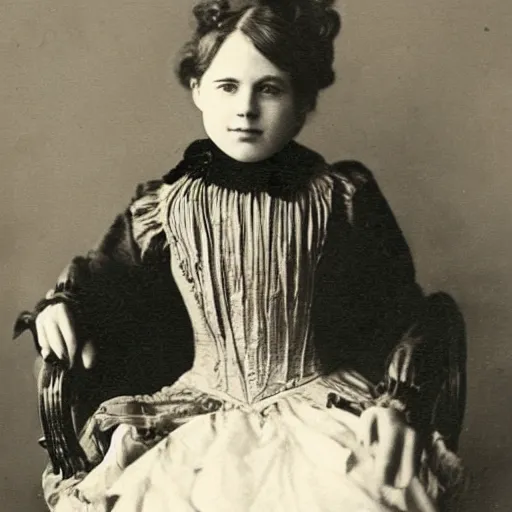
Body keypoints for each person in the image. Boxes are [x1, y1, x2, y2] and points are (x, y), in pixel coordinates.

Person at [15, 0, 466, 510]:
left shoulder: (341, 196)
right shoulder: (162, 206)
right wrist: (61, 302)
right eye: (228, 86)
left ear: (302, 104)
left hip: (319, 406)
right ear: (198, 91)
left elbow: (400, 311)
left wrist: (395, 402)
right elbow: (101, 280)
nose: (246, 108)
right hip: (200, 410)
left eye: (269, 88)